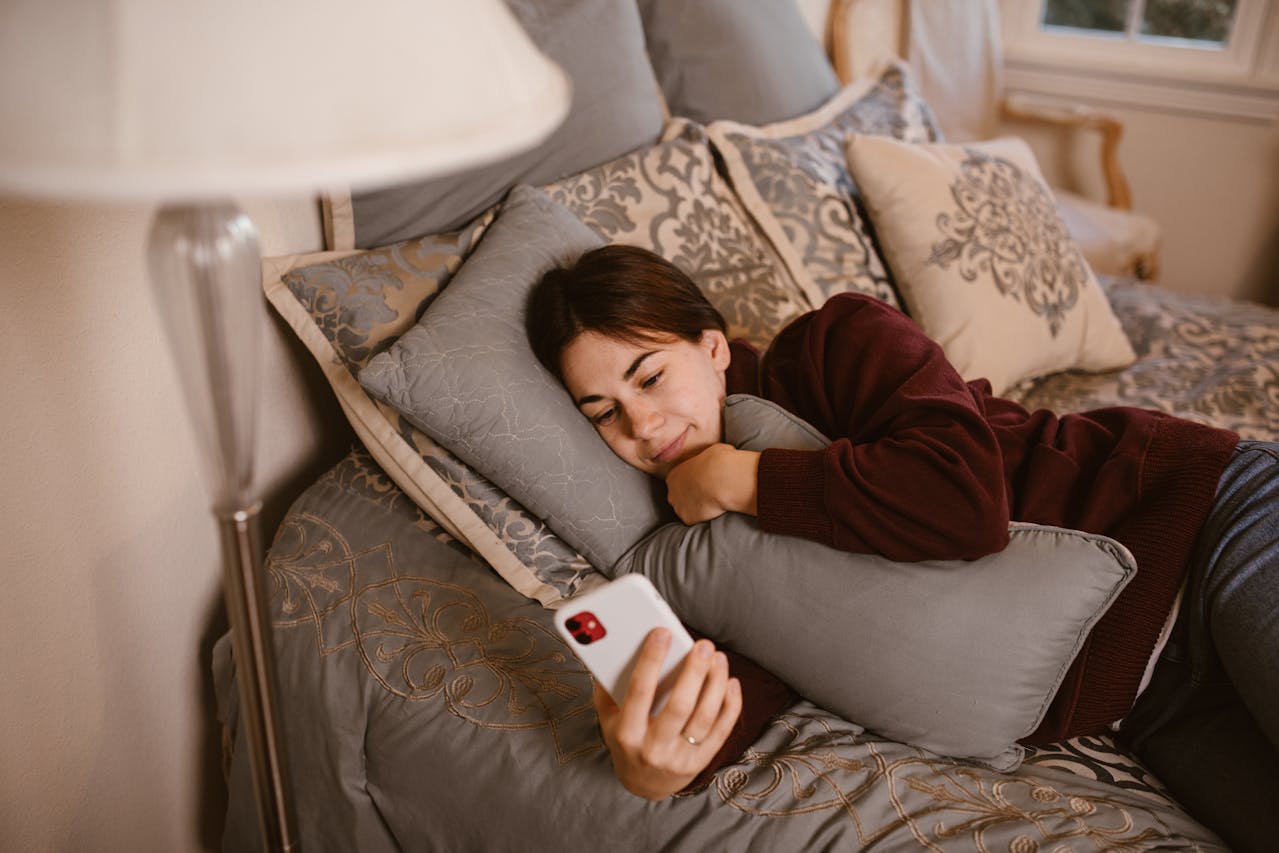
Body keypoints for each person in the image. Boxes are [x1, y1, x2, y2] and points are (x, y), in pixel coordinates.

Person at [526, 245, 1279, 851]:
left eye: (651, 376)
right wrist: (664, 763)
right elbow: (780, 662)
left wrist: (748, 477)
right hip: (1146, 702)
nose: (644, 425)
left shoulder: (835, 342)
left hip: (1211, 525)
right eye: (605, 413)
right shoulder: (700, 553)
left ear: (714, 346)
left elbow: (964, 502)